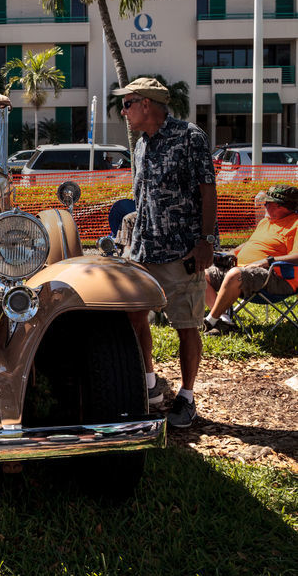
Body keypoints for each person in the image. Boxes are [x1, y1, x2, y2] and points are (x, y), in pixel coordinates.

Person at [112, 77, 217, 430]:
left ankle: (186, 397)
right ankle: (149, 384)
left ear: (146, 104)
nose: (122, 111)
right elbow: (142, 199)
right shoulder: (140, 144)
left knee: (186, 325)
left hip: (181, 249)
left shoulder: (190, 138)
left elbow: (207, 192)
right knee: (133, 316)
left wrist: (206, 242)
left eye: (127, 104)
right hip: (143, 248)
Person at [203, 184, 298, 333]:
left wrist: (267, 261)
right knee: (201, 275)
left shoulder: (295, 224)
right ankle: (223, 320)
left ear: (282, 206)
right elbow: (251, 243)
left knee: (235, 275)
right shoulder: (266, 222)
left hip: (277, 278)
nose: (264, 206)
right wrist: (229, 254)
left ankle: (209, 322)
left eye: (268, 203)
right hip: (242, 271)